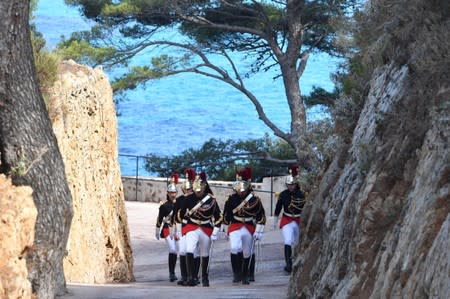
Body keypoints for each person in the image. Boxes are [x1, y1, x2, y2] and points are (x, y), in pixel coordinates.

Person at [222, 167, 266, 284]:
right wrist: (225, 228)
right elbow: (227, 214)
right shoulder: (231, 199)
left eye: (243, 189)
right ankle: (236, 274)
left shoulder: (255, 199)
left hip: (249, 226)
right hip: (235, 225)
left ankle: (246, 274)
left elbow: (261, 216)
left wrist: (259, 231)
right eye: (239, 189)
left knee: (247, 252)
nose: (241, 191)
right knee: (234, 248)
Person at [180, 171, 222, 287]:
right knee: (189, 249)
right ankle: (190, 277)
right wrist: (184, 224)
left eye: (200, 190)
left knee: (204, 253)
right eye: (196, 190)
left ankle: (204, 277)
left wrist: (216, 231)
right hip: (192, 227)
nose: (198, 192)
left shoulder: (211, 200)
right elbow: (181, 213)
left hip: (206, 228)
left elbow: (218, 217)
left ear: (203, 189)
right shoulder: (189, 199)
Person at [273, 165, 306, 273]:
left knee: (297, 243)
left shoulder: (302, 194)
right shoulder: (283, 195)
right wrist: (275, 221)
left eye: (292, 184)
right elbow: (278, 208)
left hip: (298, 220)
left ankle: (296, 261)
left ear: (296, 184)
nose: (290, 186)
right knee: (287, 241)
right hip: (287, 220)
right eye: (289, 185)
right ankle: (288, 264)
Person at [172, 168, 200, 286]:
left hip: (196, 227)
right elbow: (175, 216)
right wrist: (176, 231)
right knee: (182, 251)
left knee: (195, 252)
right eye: (186, 188)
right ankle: (185, 276)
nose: (187, 190)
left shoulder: (198, 199)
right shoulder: (179, 200)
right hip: (183, 227)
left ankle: (194, 276)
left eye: (189, 188)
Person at [155, 173, 179, 282]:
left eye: (174, 192)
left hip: (177, 229)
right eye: (171, 192)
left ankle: (175, 272)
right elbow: (160, 218)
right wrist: (157, 230)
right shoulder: (164, 205)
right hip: (167, 229)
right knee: (172, 249)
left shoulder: (179, 203)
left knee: (177, 251)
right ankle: (172, 273)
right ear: (168, 193)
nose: (172, 194)